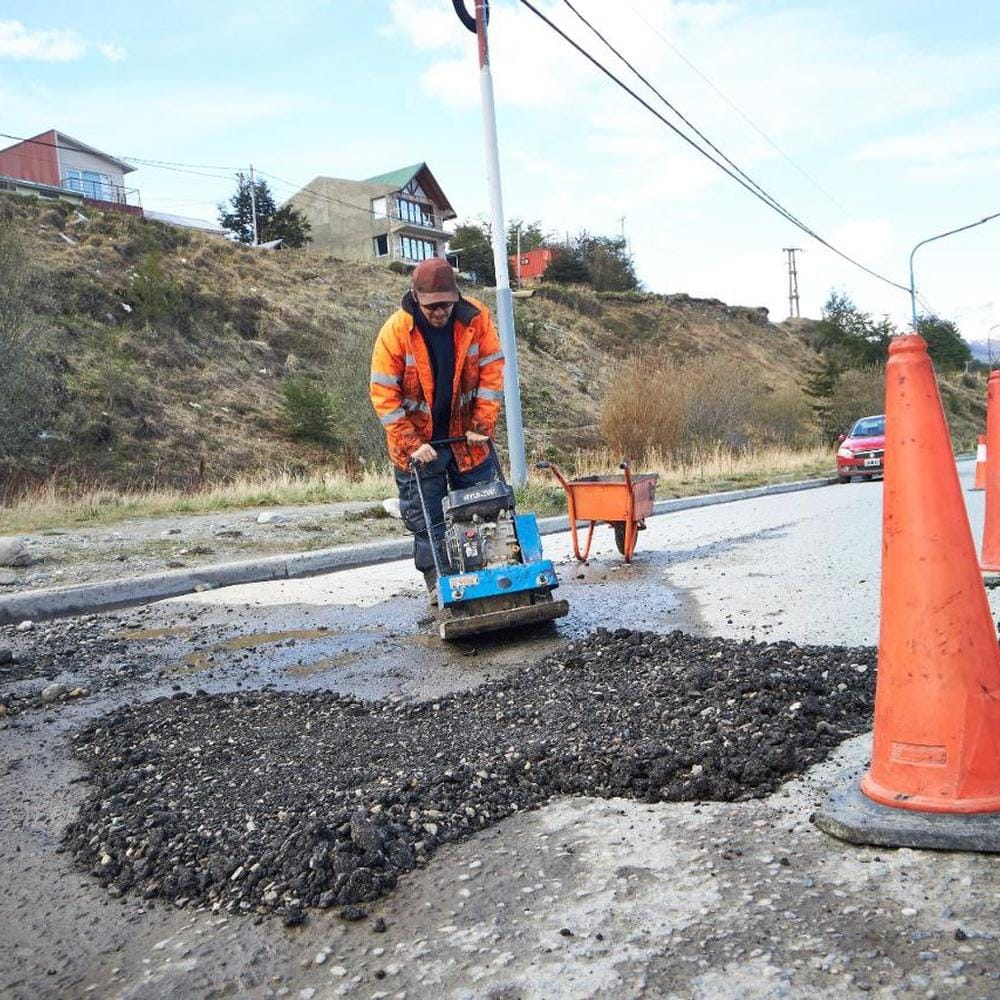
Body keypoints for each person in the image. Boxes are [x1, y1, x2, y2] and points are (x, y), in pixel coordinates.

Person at [370, 256, 505, 598]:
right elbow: (384, 394)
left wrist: (482, 424)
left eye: (446, 304)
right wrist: (412, 442)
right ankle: (439, 584)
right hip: (419, 445)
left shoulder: (476, 319)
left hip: (467, 437)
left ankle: (495, 576)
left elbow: (491, 373)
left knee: (484, 508)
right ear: (415, 298)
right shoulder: (396, 333)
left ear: (455, 297)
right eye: (432, 306)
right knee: (427, 520)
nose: (440, 312)